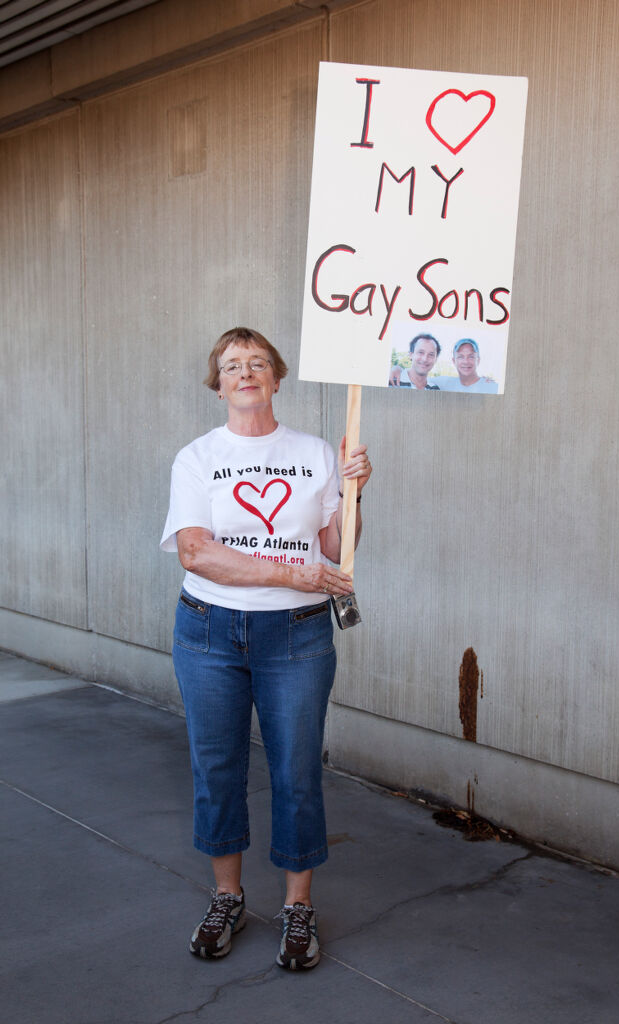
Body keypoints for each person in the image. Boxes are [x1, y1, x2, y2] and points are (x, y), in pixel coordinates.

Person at [160, 327, 372, 970]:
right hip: (209, 631)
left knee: (297, 771)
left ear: (277, 378)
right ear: (218, 384)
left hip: (298, 634)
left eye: (257, 363)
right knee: (216, 766)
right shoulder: (197, 457)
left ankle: (298, 907)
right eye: (231, 365)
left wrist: (360, 489)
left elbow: (336, 550)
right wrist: (292, 572)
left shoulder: (315, 453)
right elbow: (197, 552)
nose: (244, 372)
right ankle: (227, 895)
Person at [431, 339, 498, 393]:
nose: (466, 361)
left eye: (471, 356)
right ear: (454, 361)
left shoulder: (491, 387)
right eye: (460, 357)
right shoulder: (445, 383)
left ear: (478, 360)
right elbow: (422, 380)